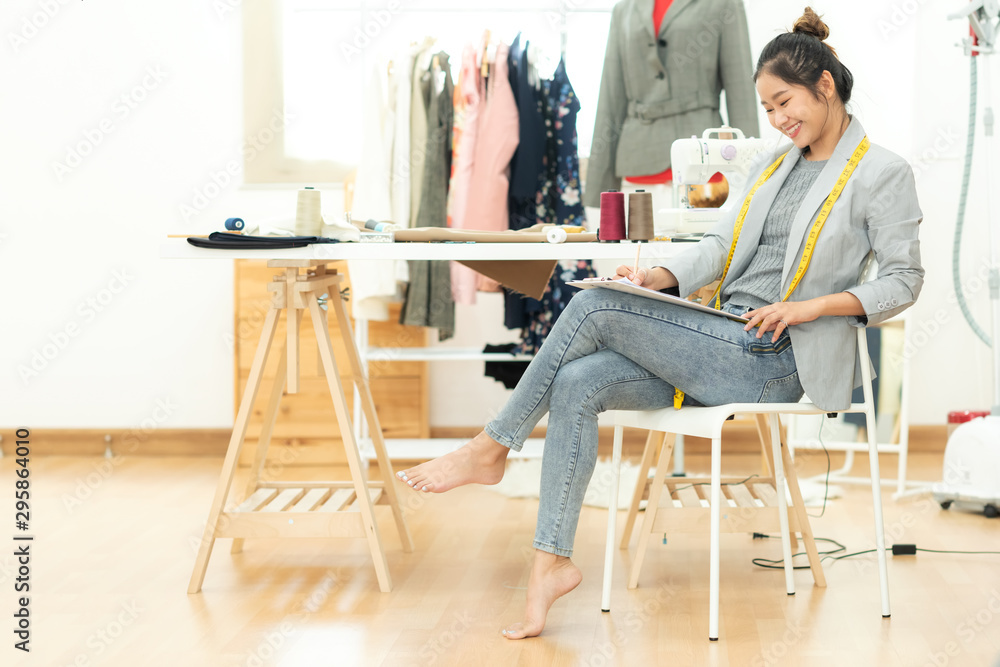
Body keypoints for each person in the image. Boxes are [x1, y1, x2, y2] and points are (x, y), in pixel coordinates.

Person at [398, 7, 924, 640]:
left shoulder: (881, 172)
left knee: (591, 305)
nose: (780, 121)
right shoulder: (772, 165)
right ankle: (551, 564)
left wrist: (809, 306)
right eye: (769, 109)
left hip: (776, 359)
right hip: (720, 341)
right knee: (579, 381)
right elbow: (718, 248)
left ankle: (490, 447)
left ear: (826, 87)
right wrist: (658, 280)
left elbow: (903, 282)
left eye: (786, 103)